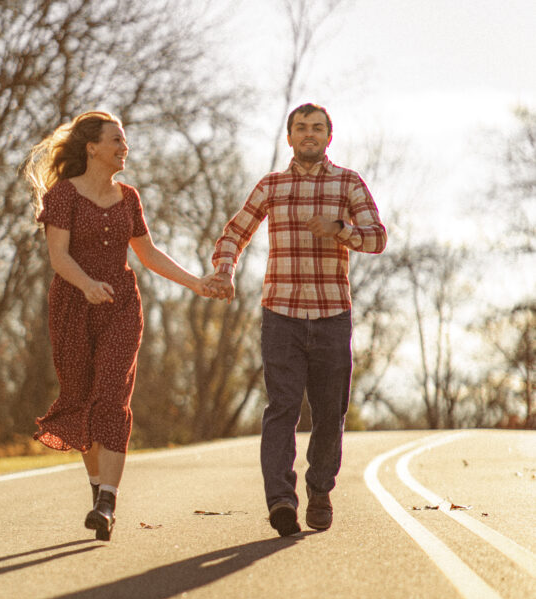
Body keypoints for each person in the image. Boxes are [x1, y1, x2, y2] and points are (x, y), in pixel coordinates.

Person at [24, 110, 213, 541]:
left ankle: (108, 500)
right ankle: (98, 492)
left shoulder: (129, 198)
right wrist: (87, 284)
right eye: (117, 140)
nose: (124, 148)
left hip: (121, 308)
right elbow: (59, 257)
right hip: (73, 307)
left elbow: (148, 254)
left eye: (124, 141)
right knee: (80, 399)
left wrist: (196, 283)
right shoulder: (63, 196)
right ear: (92, 147)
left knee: (112, 393)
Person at [205, 102, 386, 536]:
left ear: (329, 136)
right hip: (281, 313)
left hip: (331, 315)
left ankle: (320, 489)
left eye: (317, 128)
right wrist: (225, 269)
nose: (309, 134)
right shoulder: (272, 185)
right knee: (282, 407)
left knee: (329, 413)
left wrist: (339, 228)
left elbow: (377, 238)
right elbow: (235, 232)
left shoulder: (348, 183)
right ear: (289, 138)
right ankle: (281, 500)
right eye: (301, 128)